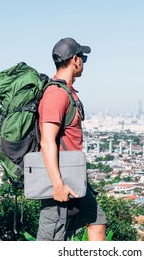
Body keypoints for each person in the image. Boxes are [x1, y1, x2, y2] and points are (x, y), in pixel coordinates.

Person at [36, 37, 107, 241]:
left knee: (96, 220)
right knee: (51, 238)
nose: (83, 62)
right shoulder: (56, 94)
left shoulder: (68, 92)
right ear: (75, 59)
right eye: (83, 57)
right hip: (61, 179)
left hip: (74, 178)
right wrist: (57, 184)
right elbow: (47, 140)